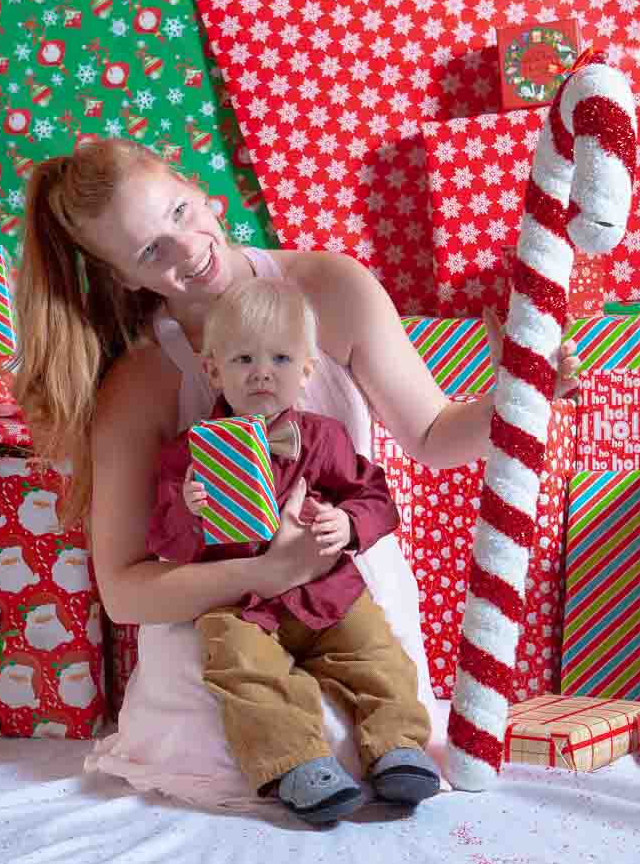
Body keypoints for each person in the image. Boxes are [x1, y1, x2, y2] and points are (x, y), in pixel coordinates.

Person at [13, 139, 580, 811]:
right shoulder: (142, 383)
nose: (186, 248)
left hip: (348, 596)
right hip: (219, 627)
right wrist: (262, 571)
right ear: (125, 280)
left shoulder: (331, 290)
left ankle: (385, 745)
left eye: (179, 213)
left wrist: (516, 398)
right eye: (148, 253)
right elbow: (128, 593)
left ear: (201, 193)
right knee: (251, 729)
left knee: (373, 725)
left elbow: (431, 438)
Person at [146, 277, 439, 823]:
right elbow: (164, 540)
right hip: (242, 603)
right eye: (243, 358)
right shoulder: (189, 453)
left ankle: (398, 747)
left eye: (281, 357)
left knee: (377, 653)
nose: (262, 371)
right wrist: (188, 508)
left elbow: (374, 495)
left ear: (305, 371)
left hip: (326, 593)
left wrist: (347, 524)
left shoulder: (324, 437)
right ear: (213, 371)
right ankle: (297, 763)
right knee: (239, 667)